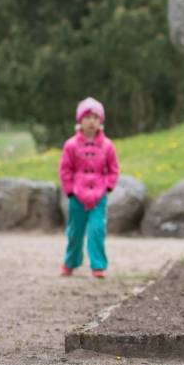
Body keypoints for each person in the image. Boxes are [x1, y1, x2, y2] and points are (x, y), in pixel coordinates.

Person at [59, 97, 120, 279]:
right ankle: (70, 262)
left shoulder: (108, 145)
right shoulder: (71, 145)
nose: (91, 121)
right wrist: (69, 190)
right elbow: (65, 169)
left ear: (101, 120)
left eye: (95, 117)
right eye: (87, 117)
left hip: (99, 195)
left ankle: (98, 265)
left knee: (96, 230)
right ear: (80, 120)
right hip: (77, 195)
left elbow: (113, 169)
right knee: (75, 232)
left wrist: (108, 186)